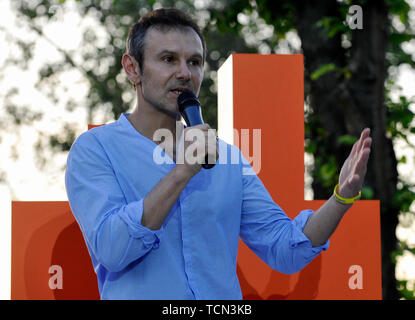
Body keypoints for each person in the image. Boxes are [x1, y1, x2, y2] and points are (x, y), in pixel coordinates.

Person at [65, 8, 372, 300]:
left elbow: (285, 249)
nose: (184, 73)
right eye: (169, 59)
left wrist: (341, 198)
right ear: (132, 68)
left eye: (195, 62)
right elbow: (112, 249)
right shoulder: (96, 149)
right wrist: (181, 172)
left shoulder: (227, 159)